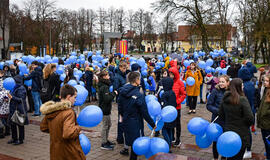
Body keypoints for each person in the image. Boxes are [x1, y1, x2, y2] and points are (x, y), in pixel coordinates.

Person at [40, 84, 86, 160]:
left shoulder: (52, 110)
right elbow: (68, 133)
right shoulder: (69, 112)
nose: (75, 100)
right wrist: (78, 128)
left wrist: (56, 131)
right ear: (68, 97)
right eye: (74, 97)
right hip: (69, 153)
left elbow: (43, 127)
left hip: (56, 153)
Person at [118, 72, 155, 160]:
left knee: (130, 142)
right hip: (135, 122)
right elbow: (144, 112)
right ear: (137, 80)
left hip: (126, 120)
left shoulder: (123, 91)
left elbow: (120, 107)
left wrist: (123, 116)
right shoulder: (139, 95)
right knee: (136, 144)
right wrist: (152, 124)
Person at [219, 78, 254, 160]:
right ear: (238, 87)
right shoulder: (242, 99)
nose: (243, 87)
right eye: (242, 86)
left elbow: (221, 115)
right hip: (241, 134)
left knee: (230, 155)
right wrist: (244, 124)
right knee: (238, 156)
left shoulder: (225, 98)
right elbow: (250, 118)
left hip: (228, 132)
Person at [206, 75, 230, 160]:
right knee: (215, 141)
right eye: (220, 82)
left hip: (227, 121)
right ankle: (215, 158)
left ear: (228, 83)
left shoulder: (230, 92)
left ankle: (224, 157)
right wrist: (218, 111)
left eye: (223, 82)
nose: (221, 83)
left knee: (225, 141)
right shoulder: (215, 91)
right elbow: (208, 105)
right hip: (217, 120)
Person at [238, 67, 256, 159]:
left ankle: (247, 150)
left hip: (244, 112)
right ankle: (248, 149)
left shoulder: (243, 86)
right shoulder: (252, 84)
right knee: (247, 131)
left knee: (246, 132)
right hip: (251, 110)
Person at [98, 71, 117, 150]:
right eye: (107, 75)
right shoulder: (104, 87)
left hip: (106, 109)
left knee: (108, 125)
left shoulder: (105, 85)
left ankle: (106, 140)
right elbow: (107, 99)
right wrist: (114, 93)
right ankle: (103, 143)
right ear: (103, 77)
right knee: (105, 126)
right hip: (104, 109)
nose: (109, 76)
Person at [7, 75, 28, 145]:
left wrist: (12, 97)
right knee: (13, 124)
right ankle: (14, 138)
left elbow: (20, 99)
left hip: (19, 109)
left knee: (20, 124)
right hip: (13, 108)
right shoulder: (14, 87)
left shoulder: (21, 88)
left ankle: (21, 139)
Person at [168, 65, 186, 146]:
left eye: (172, 74)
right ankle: (172, 138)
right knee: (170, 122)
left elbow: (183, 94)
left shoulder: (180, 82)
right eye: (170, 74)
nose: (170, 76)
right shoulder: (168, 82)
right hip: (169, 107)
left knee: (177, 124)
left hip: (177, 107)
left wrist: (177, 101)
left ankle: (178, 139)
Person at [113, 61, 127, 147]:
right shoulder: (117, 77)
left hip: (125, 99)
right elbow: (116, 89)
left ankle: (122, 136)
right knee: (120, 119)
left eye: (126, 68)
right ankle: (120, 137)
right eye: (124, 68)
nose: (125, 70)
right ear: (120, 67)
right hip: (121, 100)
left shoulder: (124, 75)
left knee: (123, 118)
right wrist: (125, 87)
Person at [160, 77, 177, 151]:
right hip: (172, 115)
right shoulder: (172, 92)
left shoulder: (164, 94)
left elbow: (163, 105)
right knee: (170, 130)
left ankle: (167, 145)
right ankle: (169, 145)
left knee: (164, 131)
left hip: (166, 115)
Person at [257, 74, 270, 159]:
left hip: (268, 123)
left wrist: (265, 113)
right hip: (263, 123)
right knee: (265, 142)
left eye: (267, 81)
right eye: (264, 81)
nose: (265, 83)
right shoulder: (265, 90)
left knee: (268, 142)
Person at [0, 70, 10, 138]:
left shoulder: (1, 93)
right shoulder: (8, 91)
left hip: (2, 110)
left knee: (2, 122)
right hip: (7, 109)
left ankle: (2, 133)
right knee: (7, 121)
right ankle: (8, 131)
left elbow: (0, 101)